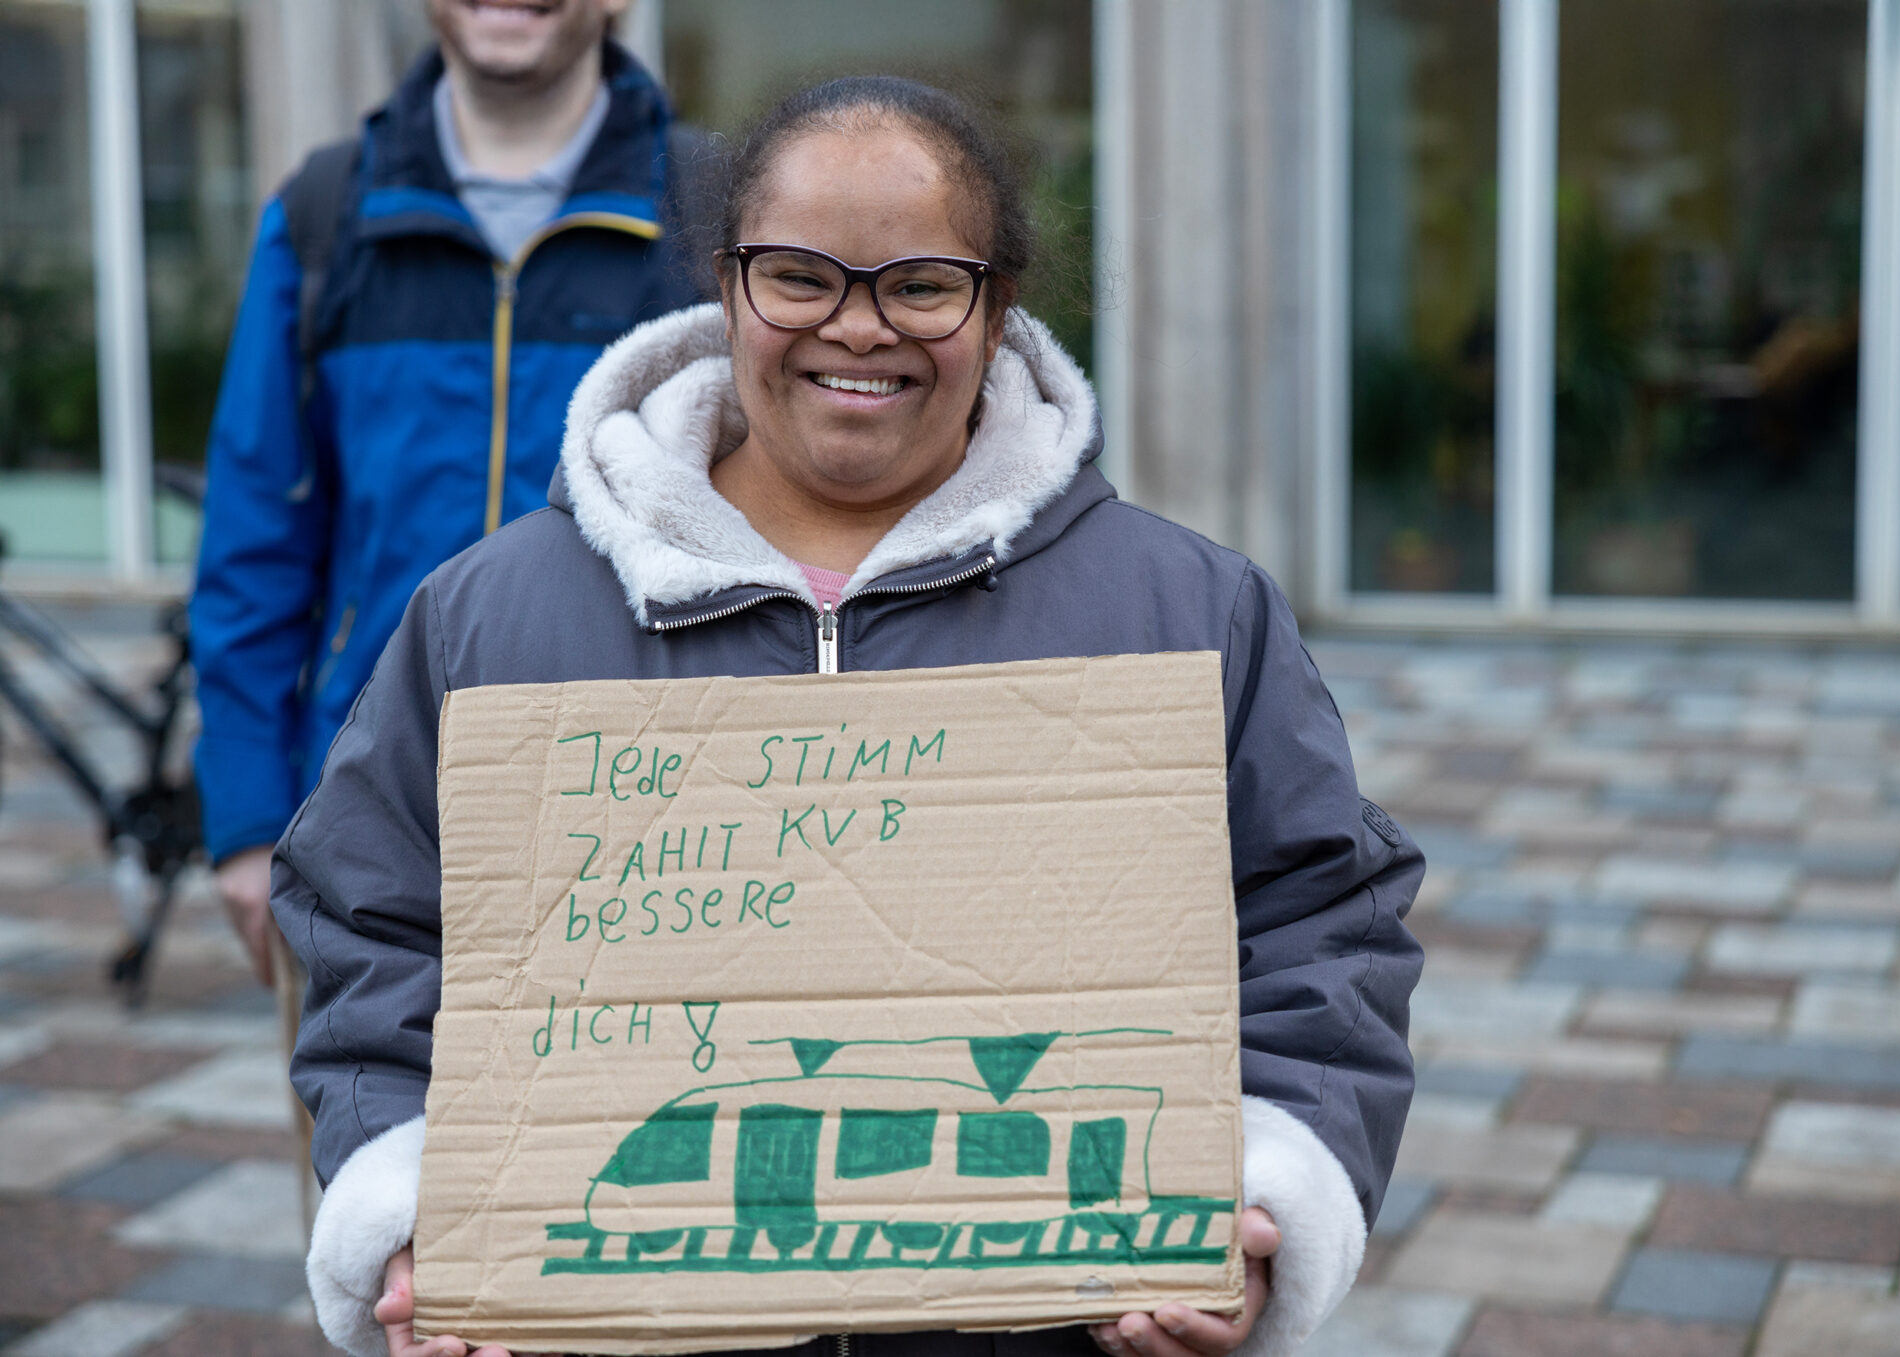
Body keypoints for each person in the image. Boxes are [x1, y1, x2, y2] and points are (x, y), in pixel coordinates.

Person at [276, 76, 1425, 1357]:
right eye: (801, 276)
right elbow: (370, 925)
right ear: (726, 286)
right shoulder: (490, 616)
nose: (860, 328)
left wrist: (1269, 1199)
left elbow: (1322, 920)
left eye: (923, 284)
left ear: (995, 312)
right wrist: (416, 1213)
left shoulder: (1188, 608)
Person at [191, 0, 700, 986]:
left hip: (643, 846)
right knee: (367, 1144)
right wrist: (250, 820)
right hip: (362, 837)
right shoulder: (324, 217)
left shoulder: (717, 215)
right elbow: (254, 543)